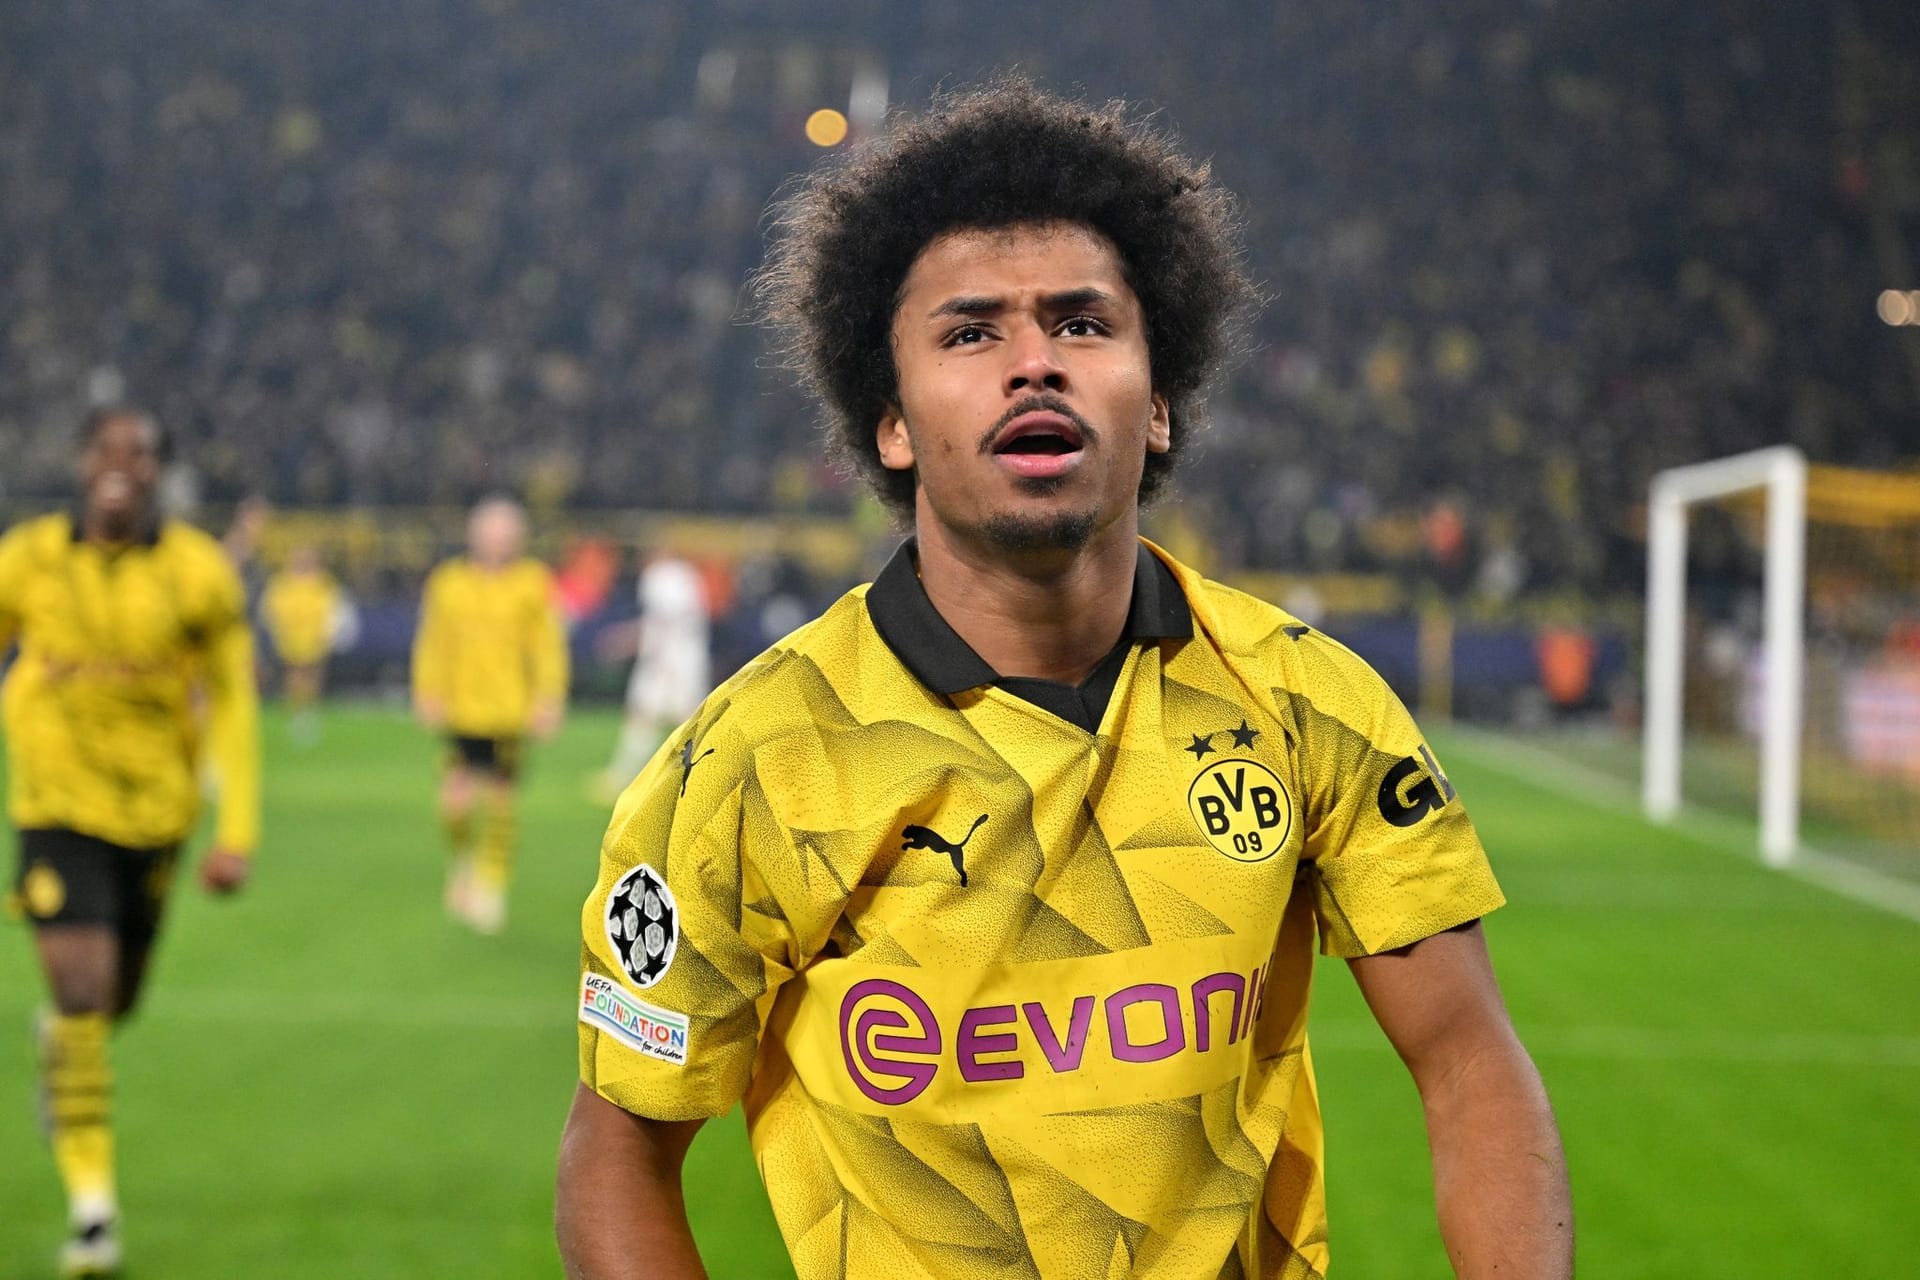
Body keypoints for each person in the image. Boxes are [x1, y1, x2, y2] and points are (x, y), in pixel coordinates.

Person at [556, 83, 1572, 1280]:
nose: (1034, 362)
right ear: (891, 423)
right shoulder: (754, 760)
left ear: (1160, 403)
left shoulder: (1306, 700)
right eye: (970, 333)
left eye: (1083, 323)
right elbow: (618, 1154)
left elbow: (1467, 1059)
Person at [0, 406, 260, 1278]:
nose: (121, 464)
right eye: (106, 449)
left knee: (115, 1001)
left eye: (139, 452)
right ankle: (93, 1216)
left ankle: (61, 1050)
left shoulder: (198, 575)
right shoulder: (27, 560)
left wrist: (238, 829)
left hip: (156, 815)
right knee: (81, 992)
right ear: (82, 462)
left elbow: (233, 701)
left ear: (158, 471)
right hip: (55, 806)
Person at [411, 496, 567, 934]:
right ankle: (462, 862)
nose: (498, 542)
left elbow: (547, 646)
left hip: (509, 712)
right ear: (474, 535)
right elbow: (432, 639)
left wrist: (548, 699)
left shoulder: (532, 582)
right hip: (461, 709)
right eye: (490, 534)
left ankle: (492, 884)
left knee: (500, 801)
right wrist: (426, 690)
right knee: (455, 804)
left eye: (506, 535)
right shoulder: (448, 582)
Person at [594, 551, 712, 799]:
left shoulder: (659, 577)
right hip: (686, 656)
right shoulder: (685, 575)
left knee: (672, 719)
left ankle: (699, 778)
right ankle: (694, 779)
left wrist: (627, 641)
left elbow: (663, 623)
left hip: (670, 658)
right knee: (655, 716)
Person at [260, 543, 348, 743]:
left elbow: (332, 606)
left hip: (315, 635)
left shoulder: (324, 582)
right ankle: (295, 711)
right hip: (291, 635)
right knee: (295, 673)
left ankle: (309, 711)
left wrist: (329, 630)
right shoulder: (283, 582)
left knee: (313, 674)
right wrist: (280, 627)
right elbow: (272, 607)